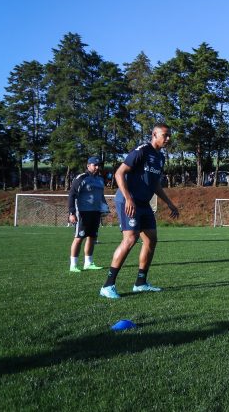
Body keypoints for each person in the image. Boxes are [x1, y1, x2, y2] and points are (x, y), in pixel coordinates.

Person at [100, 124, 180, 299]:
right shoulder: (141, 151)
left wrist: (169, 203)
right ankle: (108, 285)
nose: (168, 139)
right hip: (129, 201)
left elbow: (155, 184)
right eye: (165, 135)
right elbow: (119, 173)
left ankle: (141, 283)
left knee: (151, 240)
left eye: (169, 136)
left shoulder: (160, 157)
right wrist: (128, 198)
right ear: (154, 134)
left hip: (144, 203)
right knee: (130, 239)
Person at [68, 156, 106, 272]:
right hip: (83, 213)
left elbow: (101, 195)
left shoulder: (100, 179)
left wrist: (104, 208)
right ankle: (73, 265)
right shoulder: (81, 178)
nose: (97, 167)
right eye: (95, 165)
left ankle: (88, 263)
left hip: (95, 212)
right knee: (79, 237)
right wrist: (72, 212)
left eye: (99, 165)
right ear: (88, 165)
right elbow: (71, 195)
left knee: (92, 237)